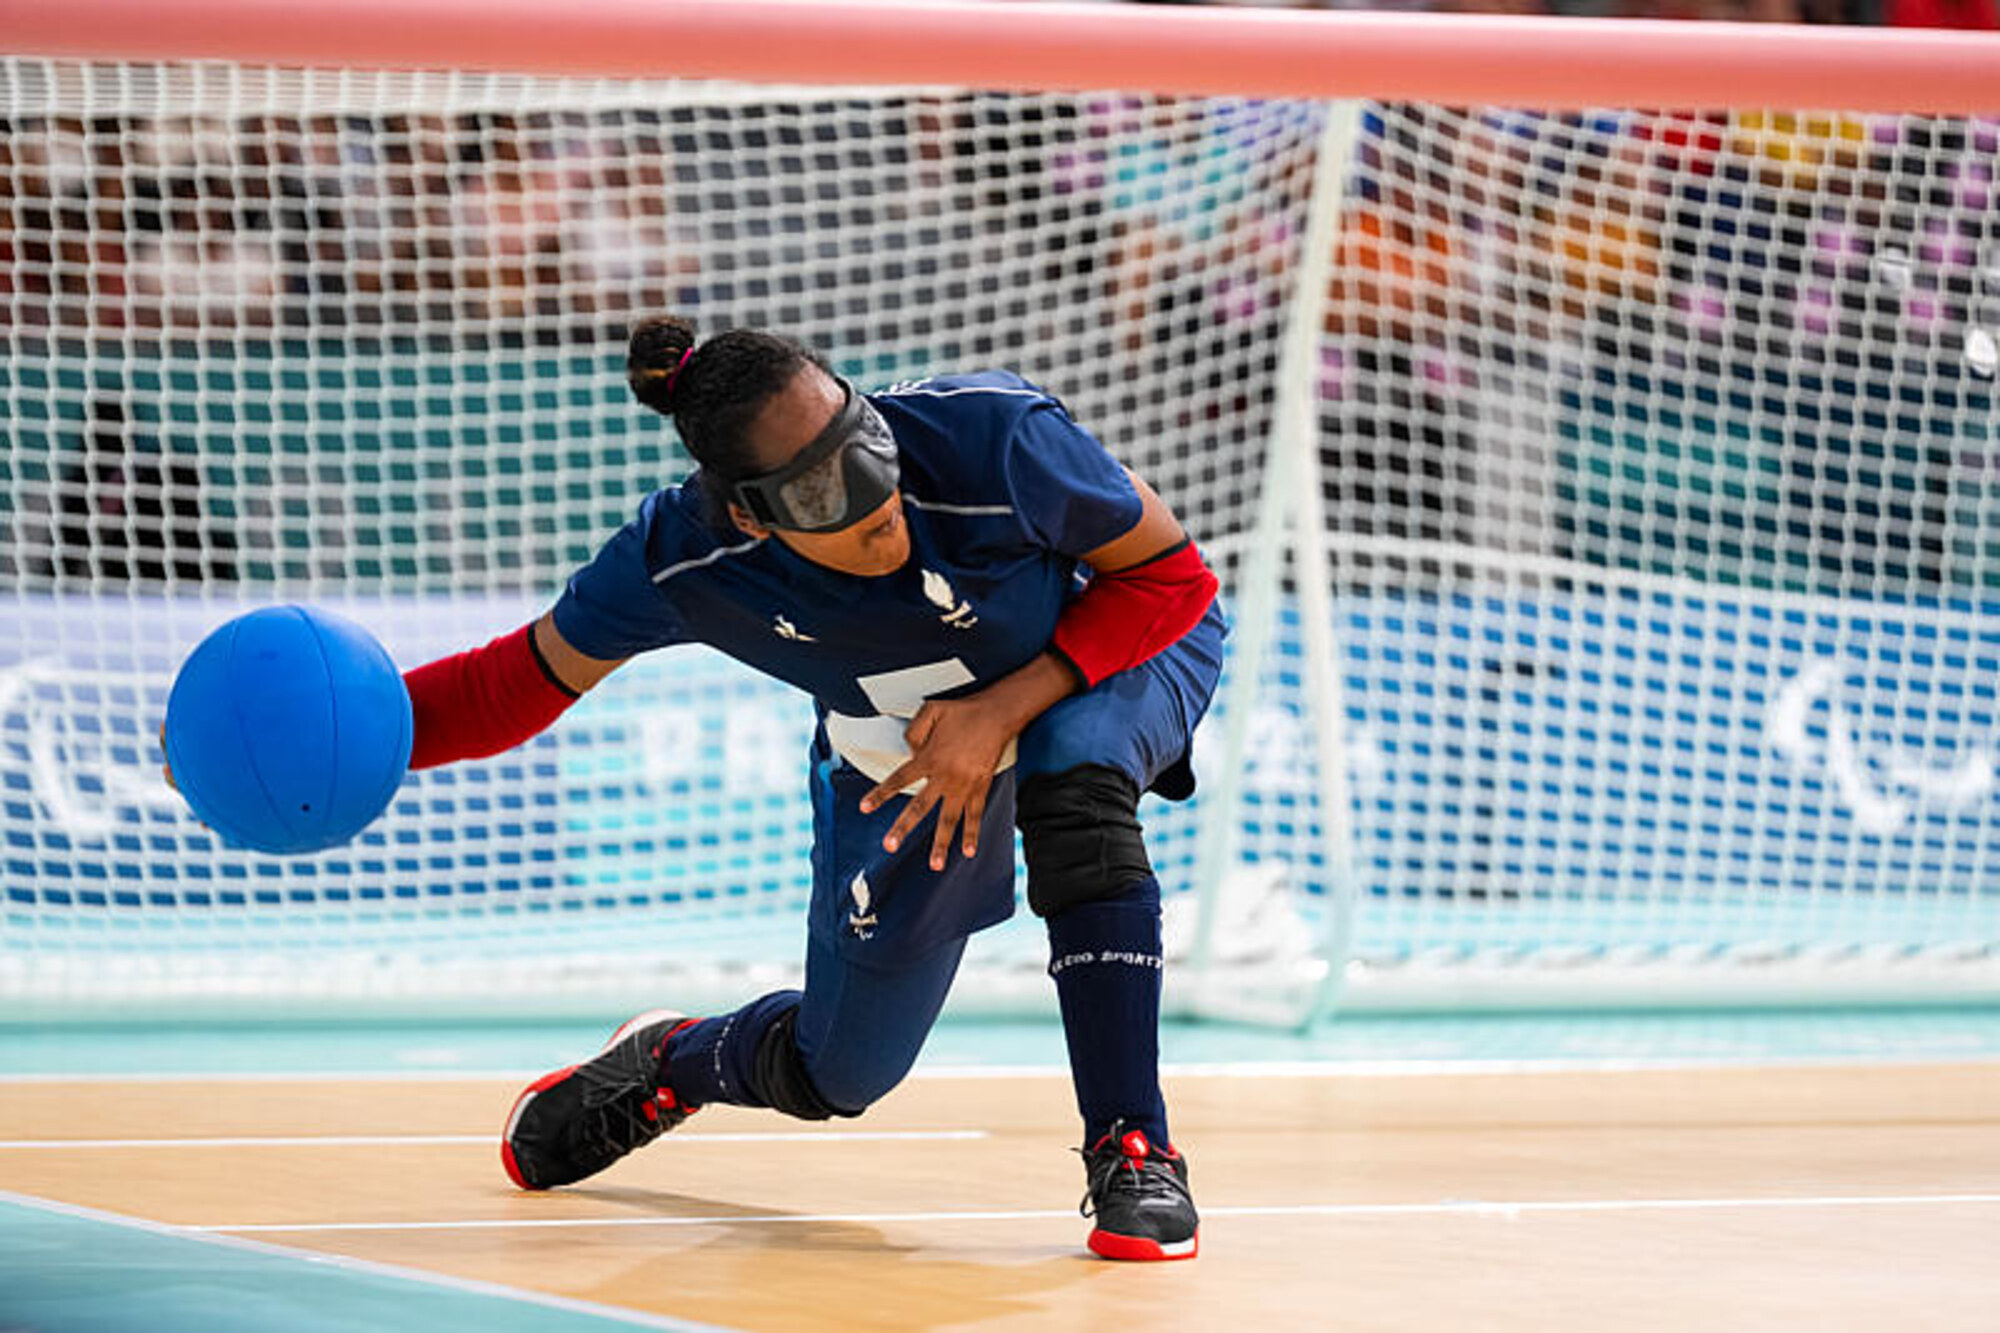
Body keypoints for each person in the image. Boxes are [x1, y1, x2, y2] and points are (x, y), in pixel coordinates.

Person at [398, 315, 1225, 1262]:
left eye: (863, 441)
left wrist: (1004, 708)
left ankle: (1134, 1149)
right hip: (896, 746)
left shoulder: (992, 436)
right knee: (840, 1071)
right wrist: (357, 743)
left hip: (1113, 651)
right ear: (752, 514)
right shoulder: (684, 558)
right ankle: (670, 1062)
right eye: (825, 485)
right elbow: (512, 685)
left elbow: (1171, 577)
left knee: (1072, 783)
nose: (879, 493)